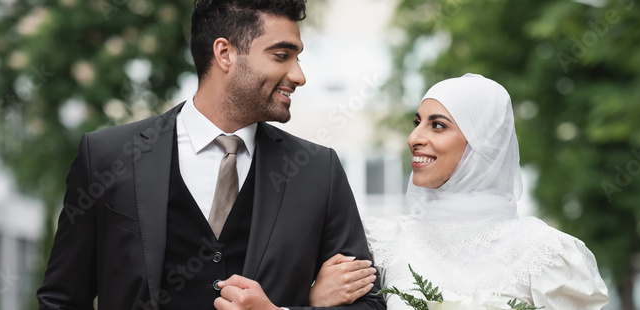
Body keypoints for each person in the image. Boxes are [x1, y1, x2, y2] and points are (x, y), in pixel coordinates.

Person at [36, 1, 385, 309]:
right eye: (282, 55)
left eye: (298, 57)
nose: (299, 75)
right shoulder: (107, 157)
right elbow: (61, 299)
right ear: (225, 53)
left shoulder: (317, 171)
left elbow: (369, 304)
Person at [309, 74, 610, 309]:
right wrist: (315, 300)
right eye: (417, 123)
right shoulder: (382, 244)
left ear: (484, 145)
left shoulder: (548, 255)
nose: (414, 137)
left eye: (437, 125)